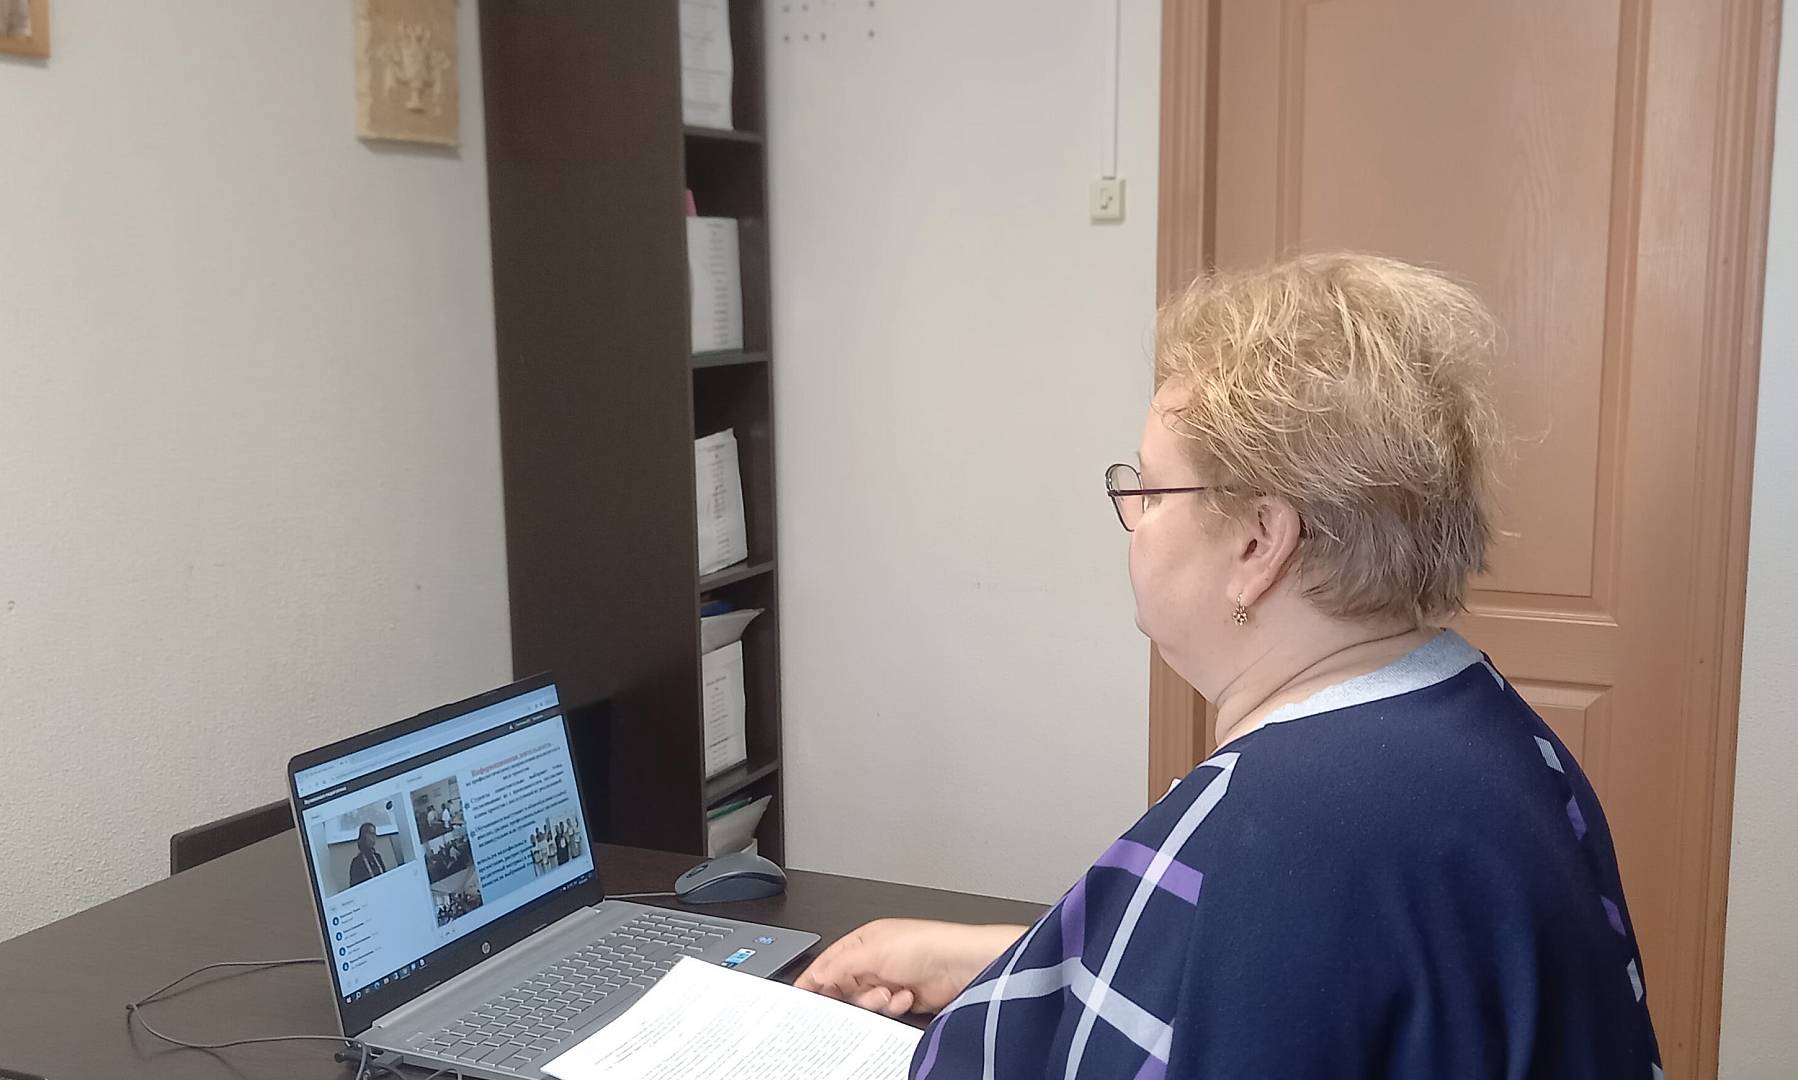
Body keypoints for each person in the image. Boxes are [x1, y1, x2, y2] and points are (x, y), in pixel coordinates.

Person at [797, 254, 1663, 1077]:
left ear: (1258, 541)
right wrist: (979, 957)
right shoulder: (1487, 726)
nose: (1132, 516)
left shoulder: (1285, 820)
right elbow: (1282, 977)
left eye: (1149, 489)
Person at [346, 822, 388, 886]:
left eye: (374, 834)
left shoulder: (377, 857)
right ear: (363, 836)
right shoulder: (357, 862)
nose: (373, 837)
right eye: (371, 833)